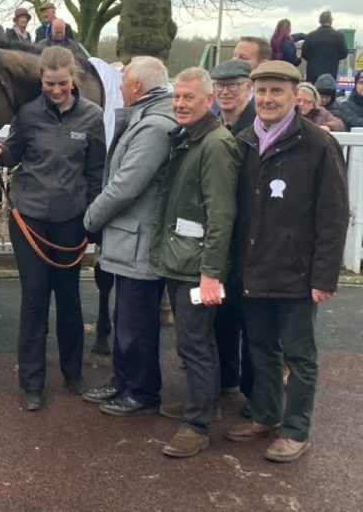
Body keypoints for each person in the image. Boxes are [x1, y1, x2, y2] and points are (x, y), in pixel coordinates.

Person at [225, 61, 348, 463]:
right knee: (260, 348)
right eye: (261, 91)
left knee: (300, 356)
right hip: (253, 268)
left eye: (276, 91)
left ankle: (296, 429)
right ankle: (266, 415)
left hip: (296, 273)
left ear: (296, 96)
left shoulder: (317, 144)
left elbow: (333, 215)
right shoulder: (243, 141)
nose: (267, 99)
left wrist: (323, 275)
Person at [0, 47, 106, 411]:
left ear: (73, 80)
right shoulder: (28, 114)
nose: (56, 90)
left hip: (71, 221)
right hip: (31, 218)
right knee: (35, 297)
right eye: (49, 83)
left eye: (62, 83)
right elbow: (14, 153)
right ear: (41, 80)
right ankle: (31, 381)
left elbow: (96, 171)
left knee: (69, 297)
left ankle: (73, 374)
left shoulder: (92, 116)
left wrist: (91, 216)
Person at [150, 67, 240, 458]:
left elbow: (221, 214)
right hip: (183, 260)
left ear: (209, 101)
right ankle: (205, 405)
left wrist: (210, 273)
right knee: (195, 341)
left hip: (197, 266)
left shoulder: (216, 145)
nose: (181, 104)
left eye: (189, 97)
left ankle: (197, 424)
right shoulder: (189, 138)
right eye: (177, 97)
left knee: (194, 343)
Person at [81, 57, 175, 416]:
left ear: (137, 86)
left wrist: (90, 218)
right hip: (129, 237)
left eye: (123, 82)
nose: (118, 87)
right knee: (126, 319)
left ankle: (142, 390)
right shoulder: (147, 119)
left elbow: (125, 186)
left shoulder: (152, 127)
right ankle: (123, 382)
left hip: (139, 239)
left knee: (137, 323)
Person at [209, 58, 256, 410]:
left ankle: (257, 398)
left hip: (252, 236)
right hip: (223, 234)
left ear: (248, 88)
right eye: (220, 86)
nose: (225, 92)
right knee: (222, 311)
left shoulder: (259, 125)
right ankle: (226, 378)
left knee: (252, 320)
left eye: (234, 85)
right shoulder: (216, 124)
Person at [302, 10, 348, 84]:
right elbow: (344, 53)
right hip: (331, 71)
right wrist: (334, 58)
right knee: (328, 93)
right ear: (331, 20)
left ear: (320, 21)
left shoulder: (310, 36)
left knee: (312, 93)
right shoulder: (339, 36)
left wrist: (313, 60)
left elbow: (304, 53)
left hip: (313, 72)